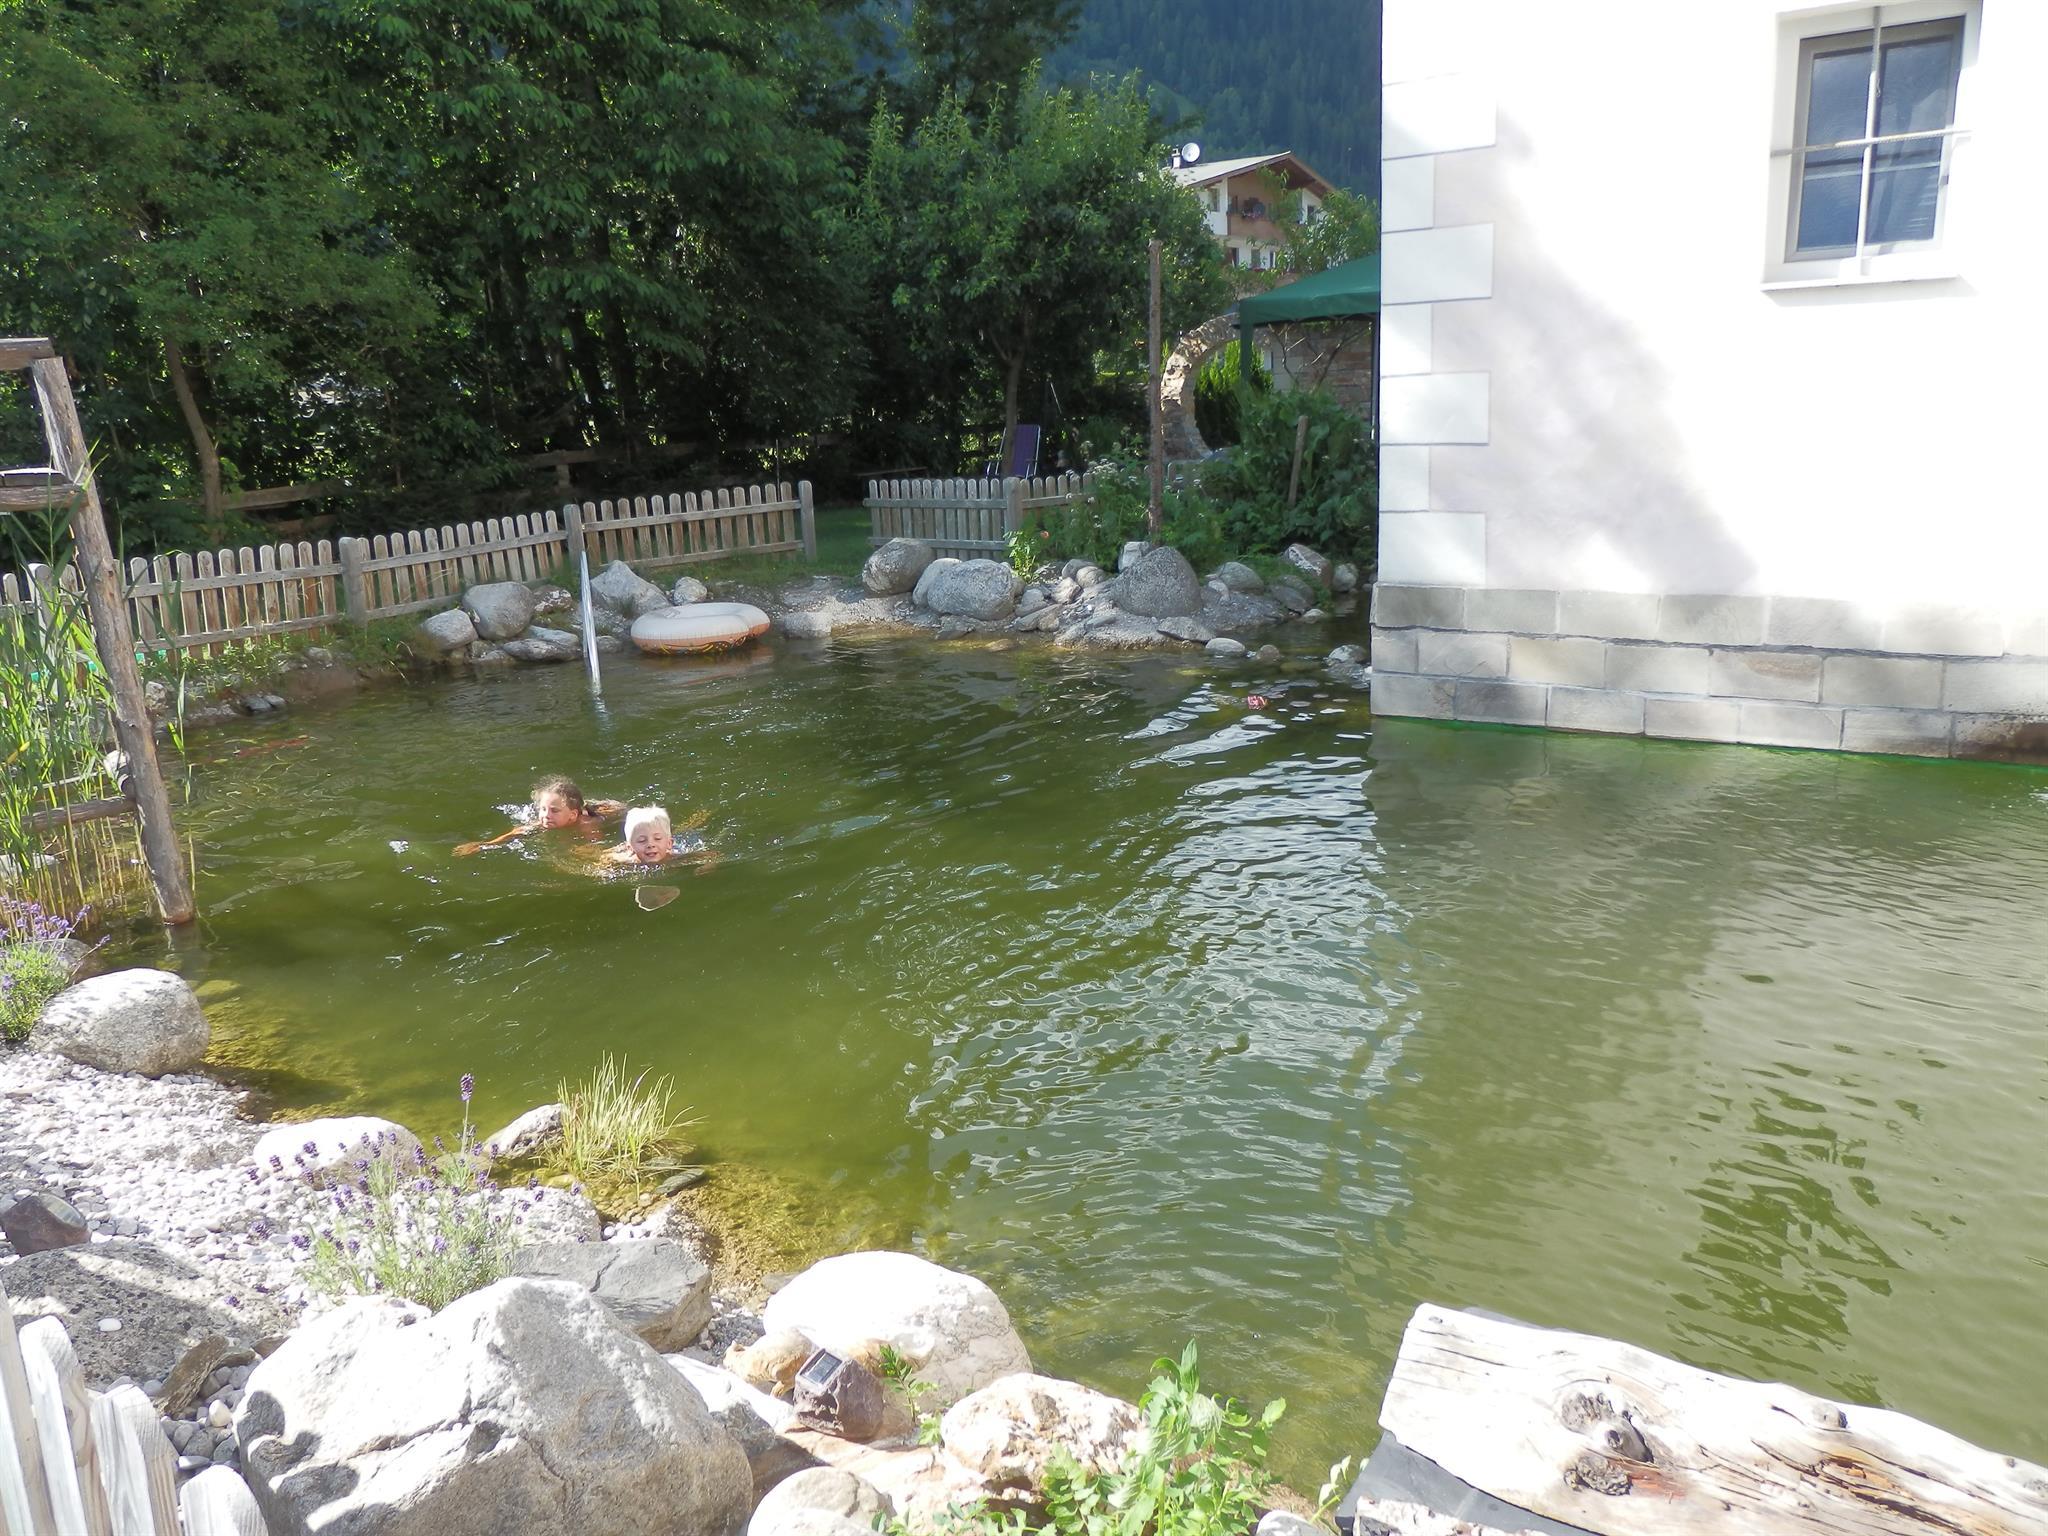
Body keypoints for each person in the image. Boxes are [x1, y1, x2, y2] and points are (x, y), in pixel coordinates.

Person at [454, 777, 622, 856]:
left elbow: (597, 848)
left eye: (554, 811)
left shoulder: (587, 824)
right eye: (543, 809)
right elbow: (517, 833)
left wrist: (580, 850)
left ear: (572, 815)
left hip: (614, 812)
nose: (546, 816)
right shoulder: (546, 821)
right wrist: (484, 845)